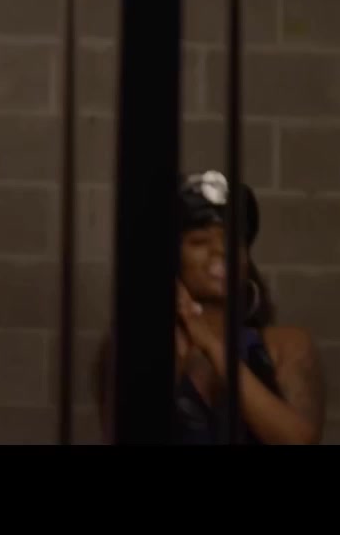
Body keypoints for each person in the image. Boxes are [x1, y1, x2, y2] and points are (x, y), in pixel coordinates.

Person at [94, 170, 325, 445]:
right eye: (199, 241)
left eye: (233, 240)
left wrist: (210, 343)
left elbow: (300, 441)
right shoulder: (133, 346)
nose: (221, 251)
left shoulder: (285, 346)